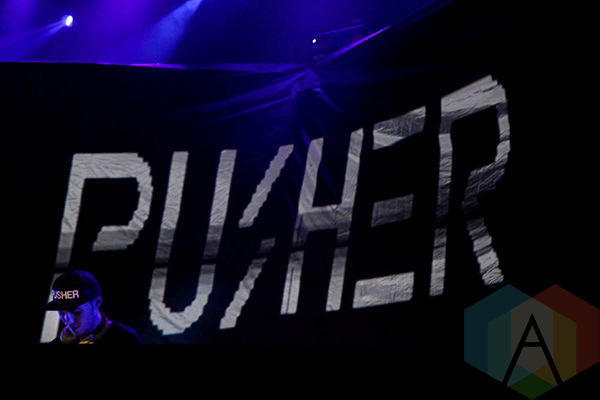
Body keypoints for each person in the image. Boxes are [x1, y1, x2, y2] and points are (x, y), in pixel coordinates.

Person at [44, 269, 140, 345]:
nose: (69, 320)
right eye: (62, 312)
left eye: (76, 311)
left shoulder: (124, 339)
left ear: (97, 302)